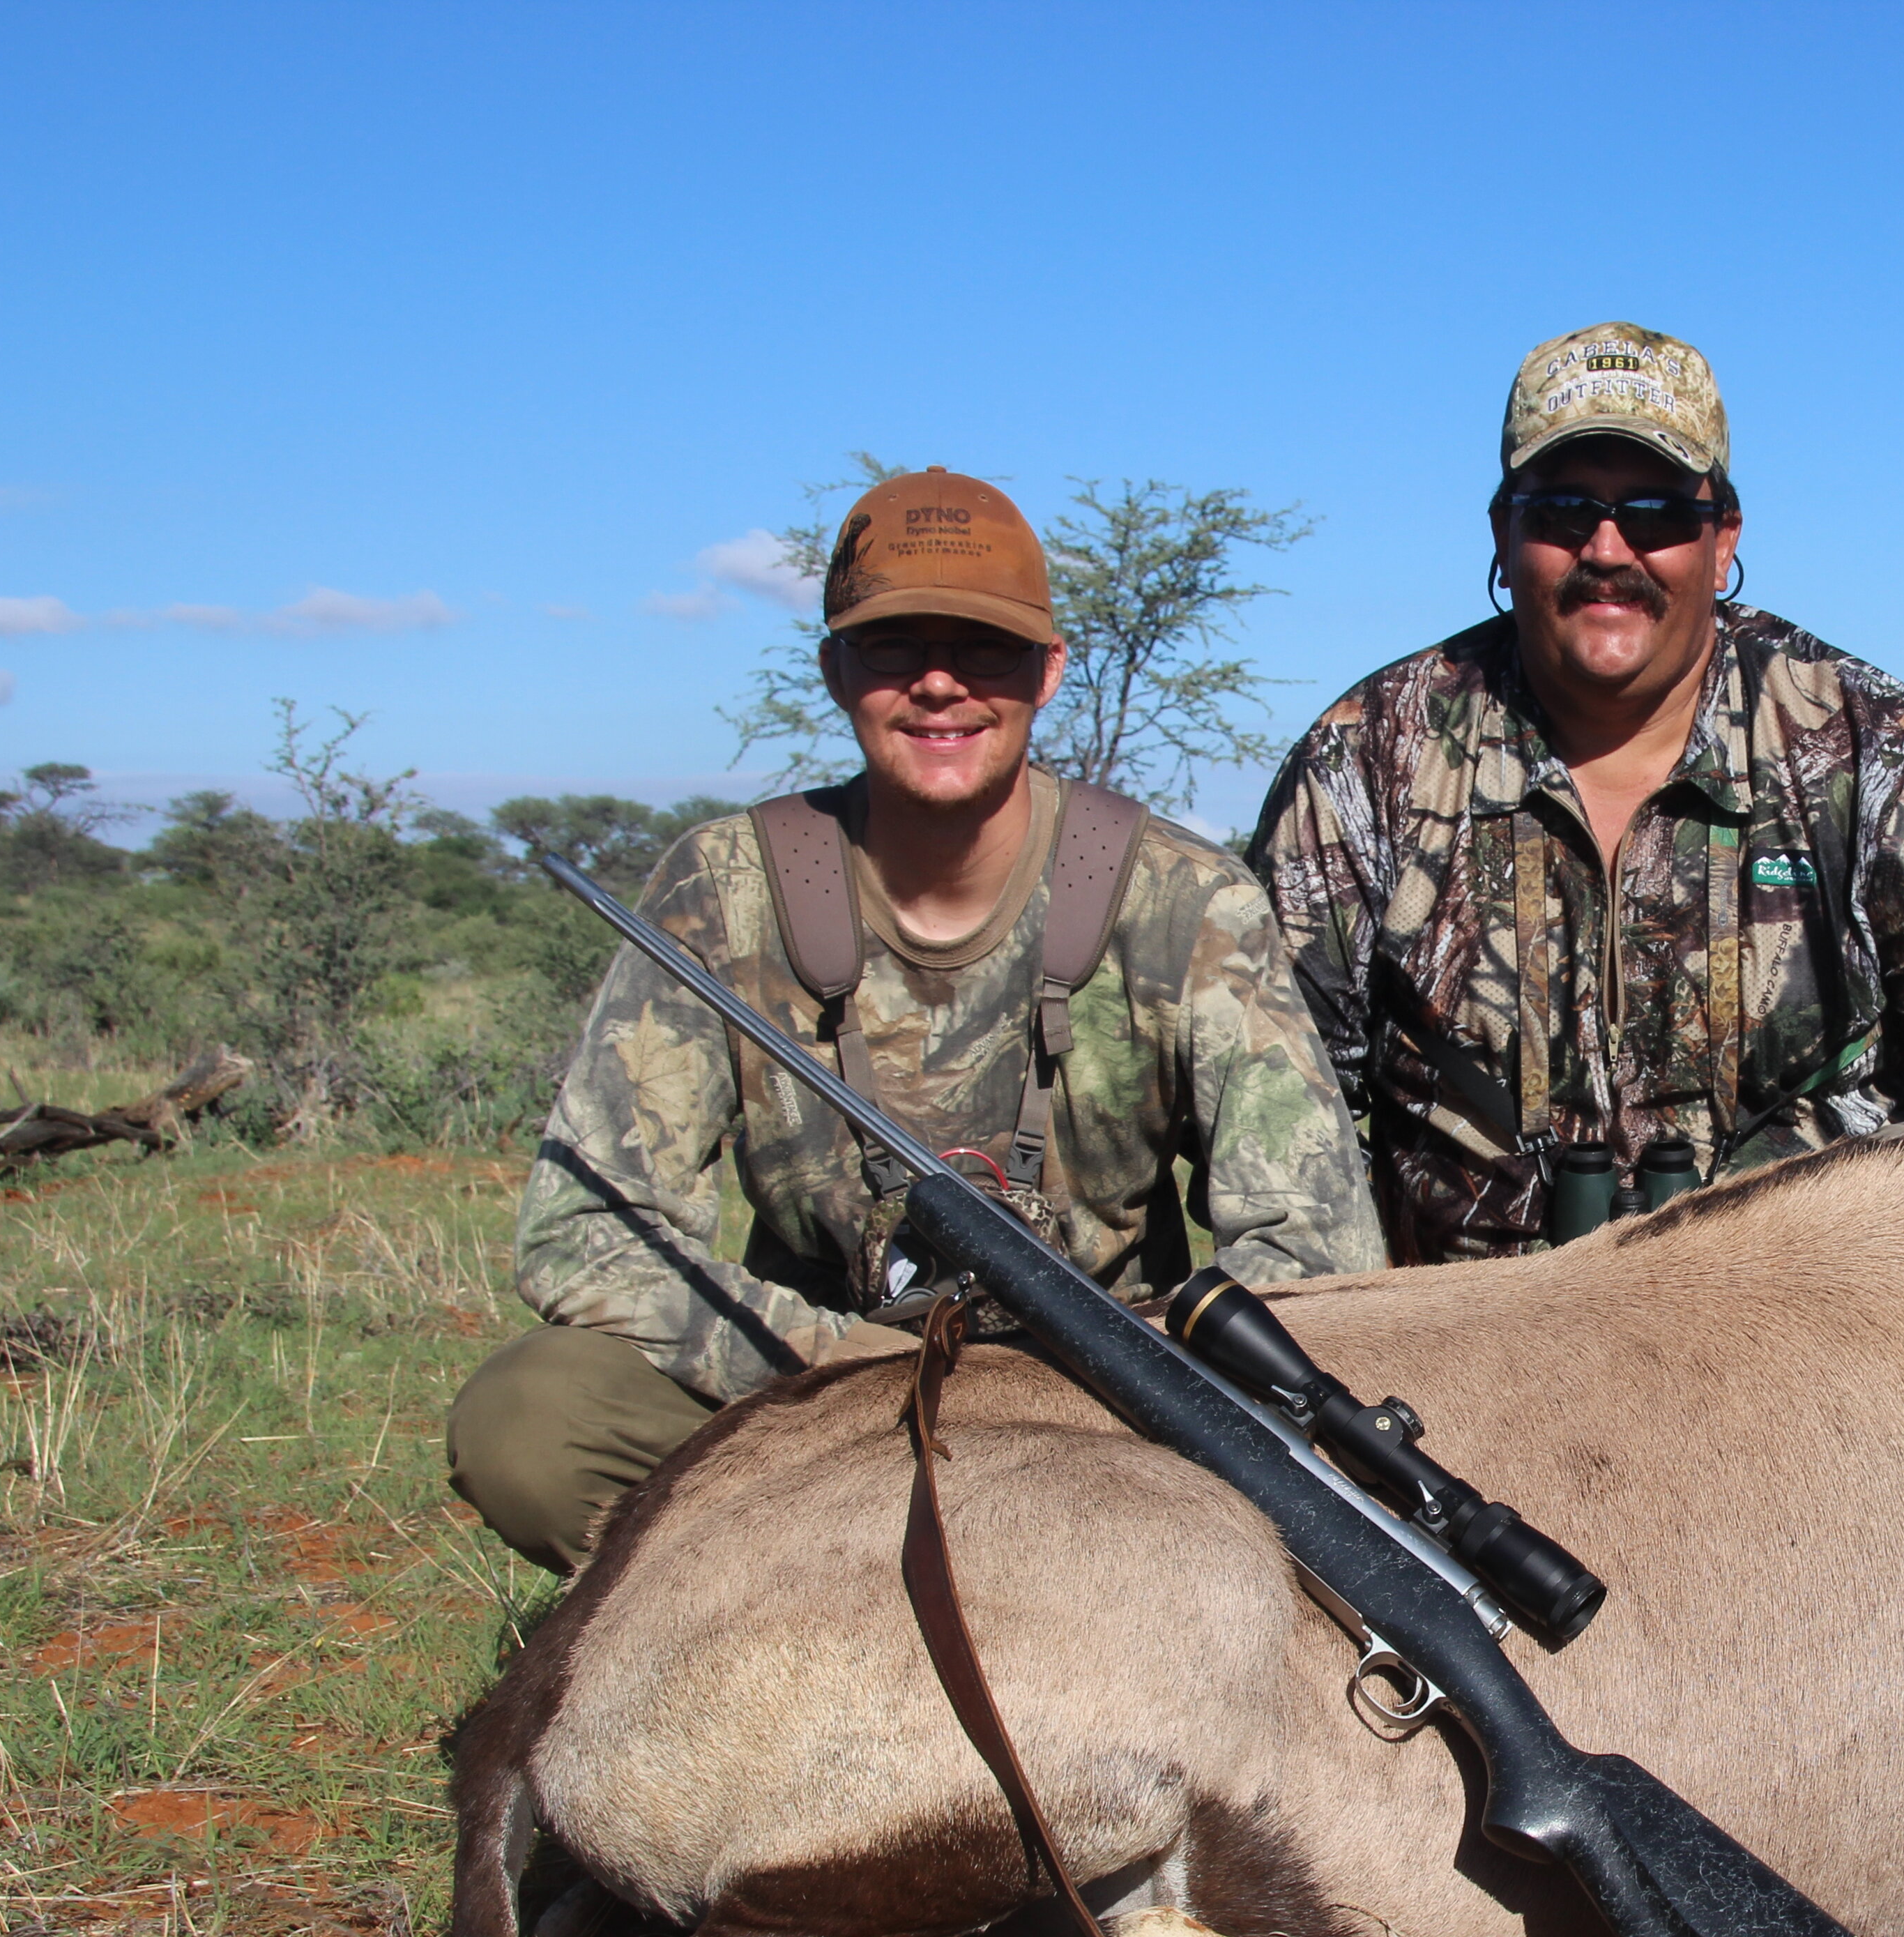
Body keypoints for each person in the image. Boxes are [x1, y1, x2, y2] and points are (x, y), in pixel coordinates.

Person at [449, 466, 1387, 1571]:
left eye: (983, 647)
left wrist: (1099, 1398)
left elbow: (1319, 1258)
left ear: (1048, 671)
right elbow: (583, 1234)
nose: (940, 684)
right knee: (530, 1423)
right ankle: (768, 1652)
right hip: (810, 1407)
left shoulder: (1185, 897)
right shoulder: (723, 886)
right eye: (894, 645)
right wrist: (847, 1371)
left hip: (1107, 1429)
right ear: (834, 668)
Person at [1251, 321, 1904, 1261]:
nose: (1607, 549)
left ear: (1722, 541)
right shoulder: (1366, 758)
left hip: (1806, 1334)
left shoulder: (1866, 742)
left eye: (1656, 513)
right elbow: (1264, 1086)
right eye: (1561, 510)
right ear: (1503, 535)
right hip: (1465, 1361)